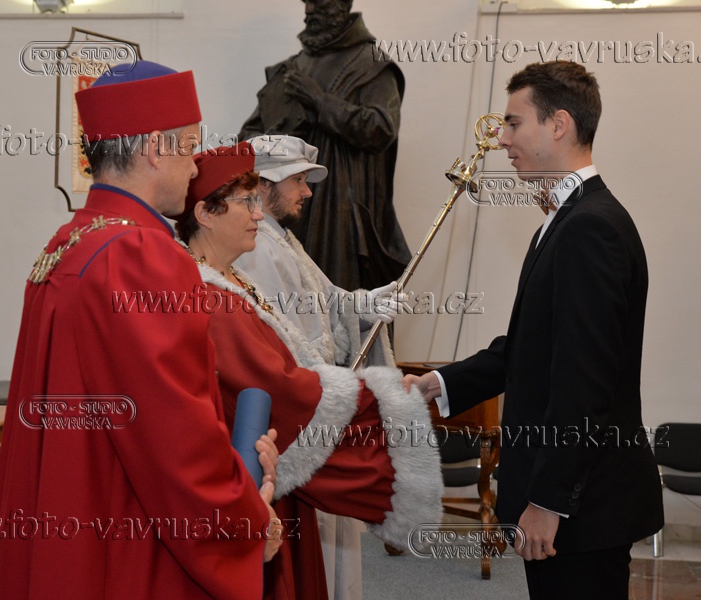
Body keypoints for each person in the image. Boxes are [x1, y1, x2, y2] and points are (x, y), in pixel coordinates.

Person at [0, 61, 282, 600]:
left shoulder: (68, 242)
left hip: (72, 519)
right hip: (129, 540)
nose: (195, 166)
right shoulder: (142, 254)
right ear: (155, 148)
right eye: (189, 147)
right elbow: (177, 438)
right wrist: (242, 521)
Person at [405, 61, 663, 599]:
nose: (502, 139)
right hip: (576, 501)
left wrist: (549, 501)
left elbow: (584, 380)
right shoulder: (566, 221)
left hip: (581, 507)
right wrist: (440, 383)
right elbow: (530, 348)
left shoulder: (589, 227)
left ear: (558, 124)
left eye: (513, 123)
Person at [174, 142, 443, 600]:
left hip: (276, 460)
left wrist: (362, 308)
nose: (257, 214)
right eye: (246, 202)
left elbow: (317, 310)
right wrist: (373, 398)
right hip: (257, 469)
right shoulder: (211, 295)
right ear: (206, 213)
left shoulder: (237, 275)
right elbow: (274, 384)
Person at [234, 134, 404, 599]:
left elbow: (327, 302)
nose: (307, 192)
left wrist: (366, 304)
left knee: (329, 544)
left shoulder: (281, 238)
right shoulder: (257, 247)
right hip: (304, 413)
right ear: (263, 184)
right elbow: (285, 344)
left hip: (322, 404)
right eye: (297, 180)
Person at [240, 0, 411, 291]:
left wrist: (320, 101)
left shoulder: (371, 65)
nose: (309, 10)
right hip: (283, 207)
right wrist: (282, 137)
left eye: (318, 3)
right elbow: (248, 137)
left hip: (339, 209)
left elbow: (380, 129)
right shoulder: (291, 68)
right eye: (306, 2)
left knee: (339, 294)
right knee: (285, 294)